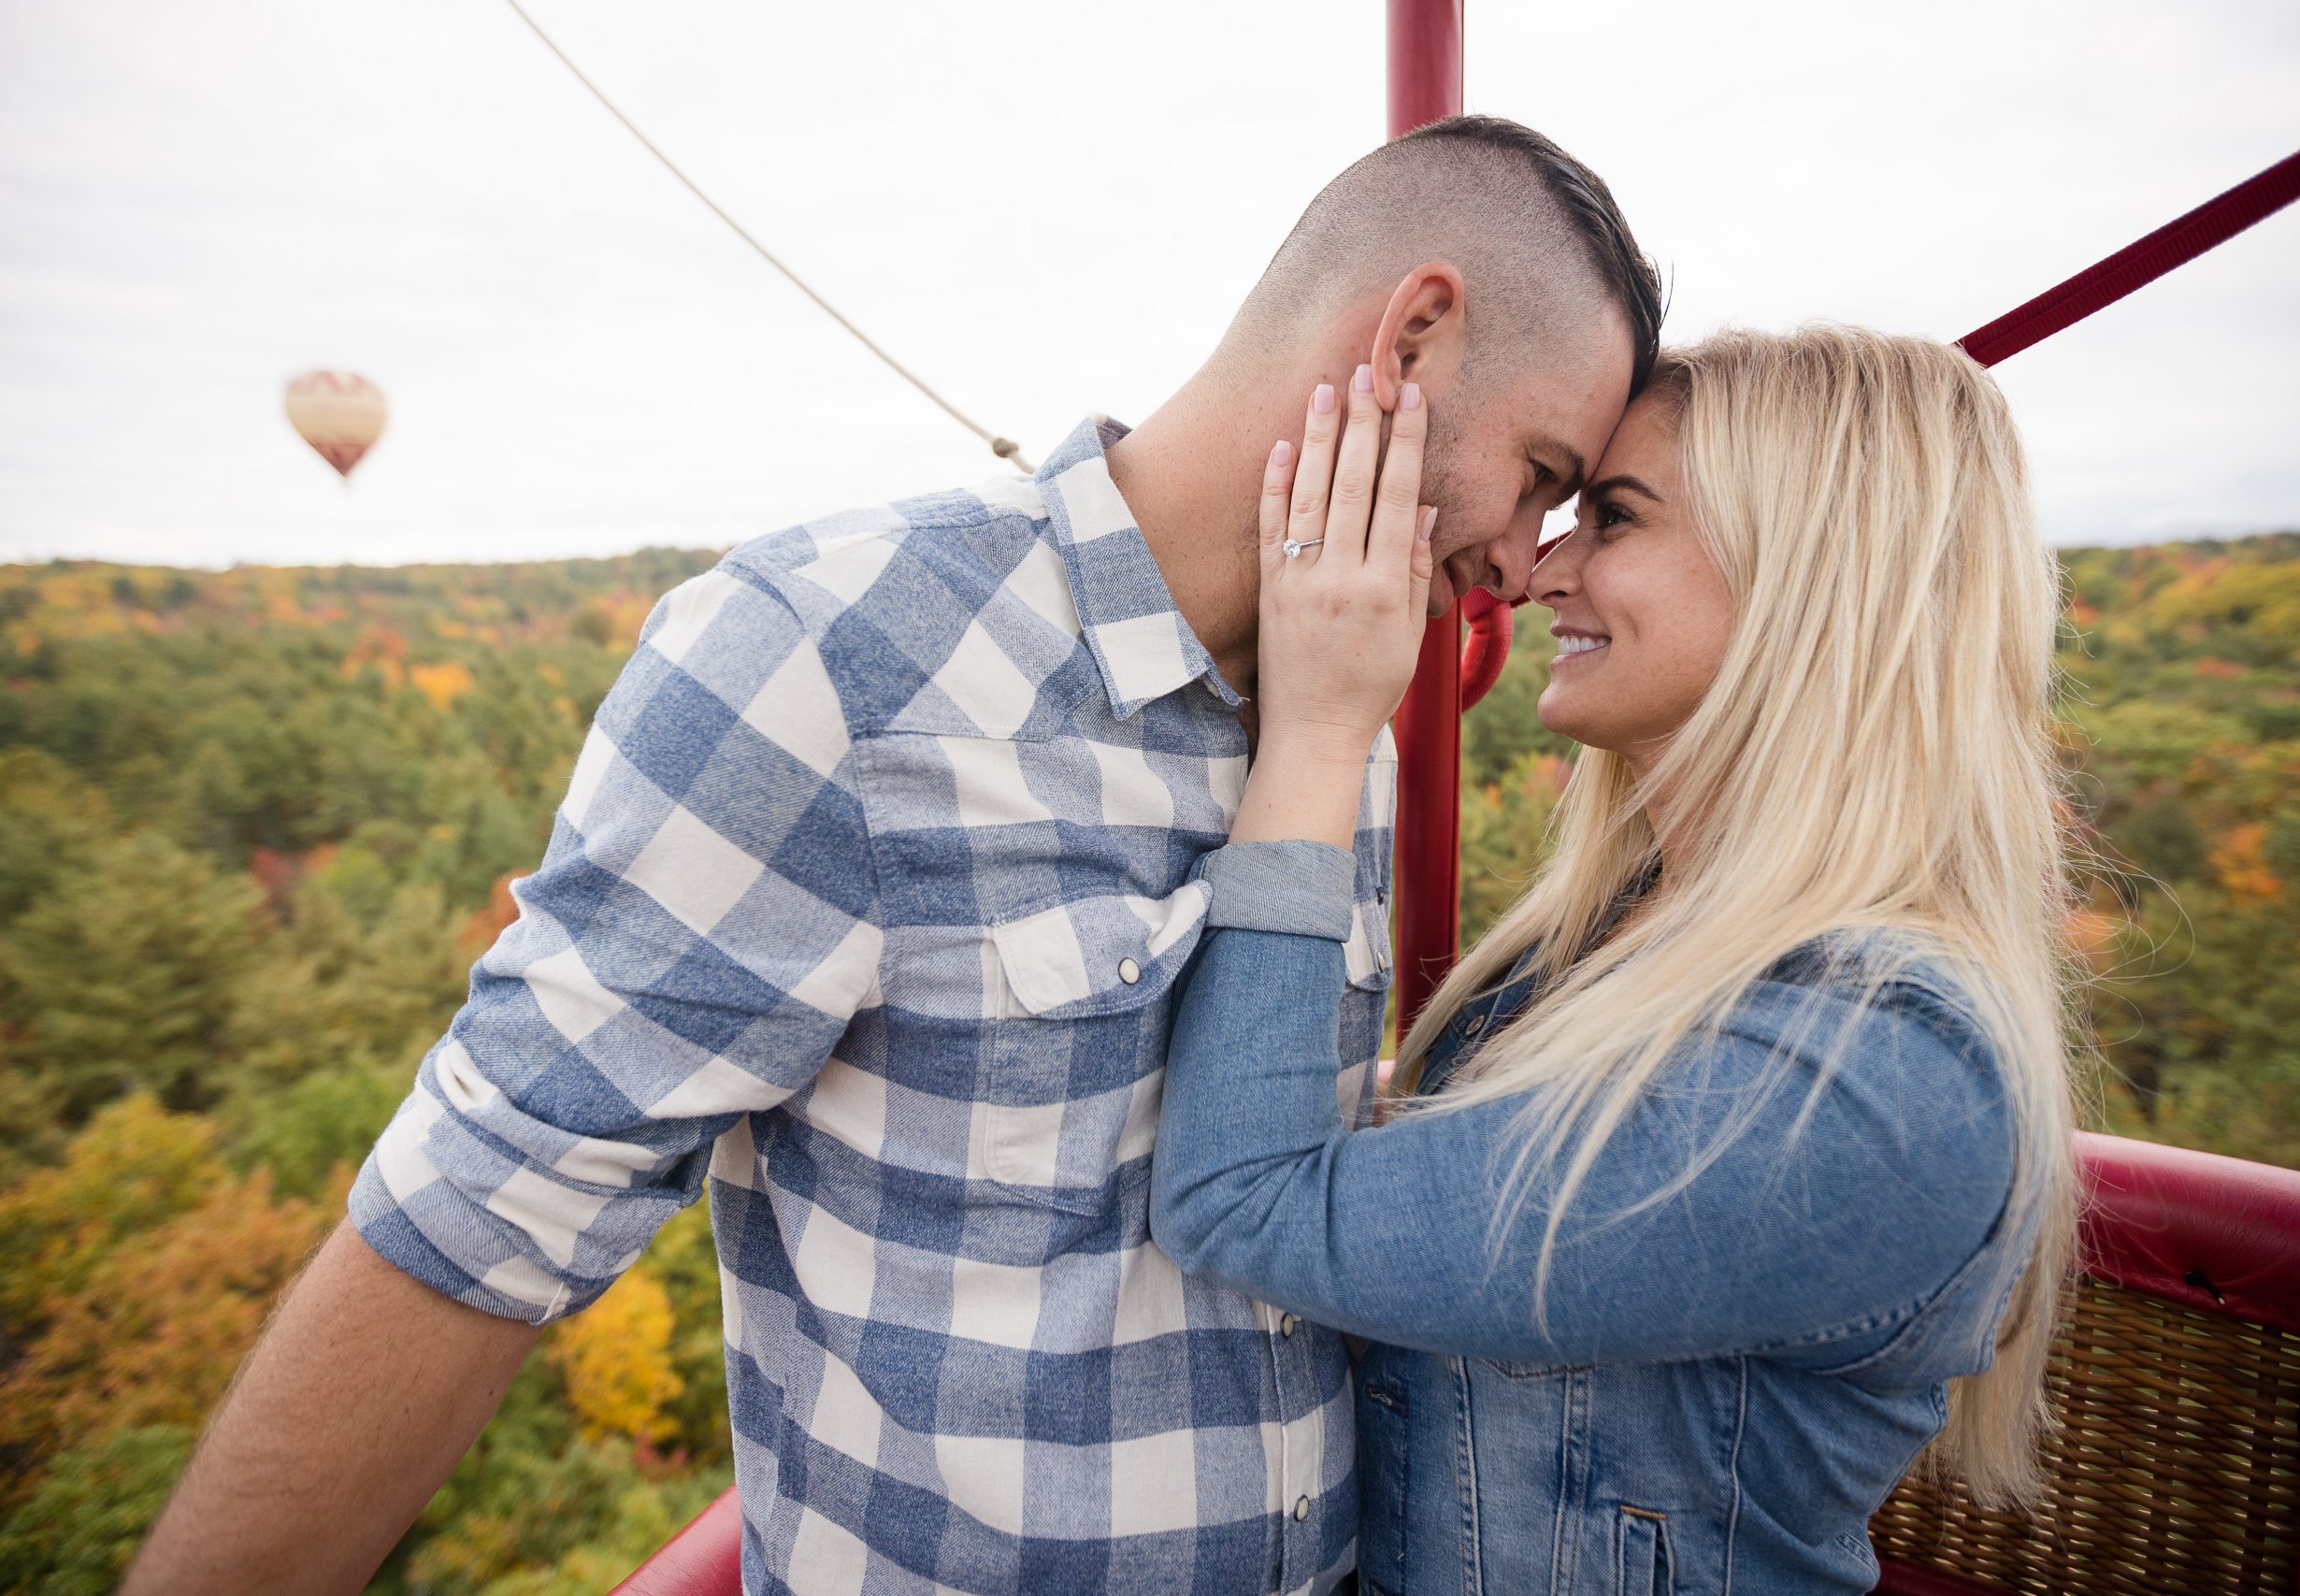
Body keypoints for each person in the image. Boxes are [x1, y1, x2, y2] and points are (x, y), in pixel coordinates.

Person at [123, 116, 1663, 1596]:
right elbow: (474, 1226)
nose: (1528, 568)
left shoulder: (1352, 715)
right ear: (1410, 341)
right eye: (1537, 475)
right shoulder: (835, 658)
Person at [1150, 326, 2080, 1594]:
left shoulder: (1883, 1073)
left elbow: (1244, 1200)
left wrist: (1316, 731)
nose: (1537, 572)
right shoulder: (1617, 938)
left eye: (1616, 518)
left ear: (1808, 576)